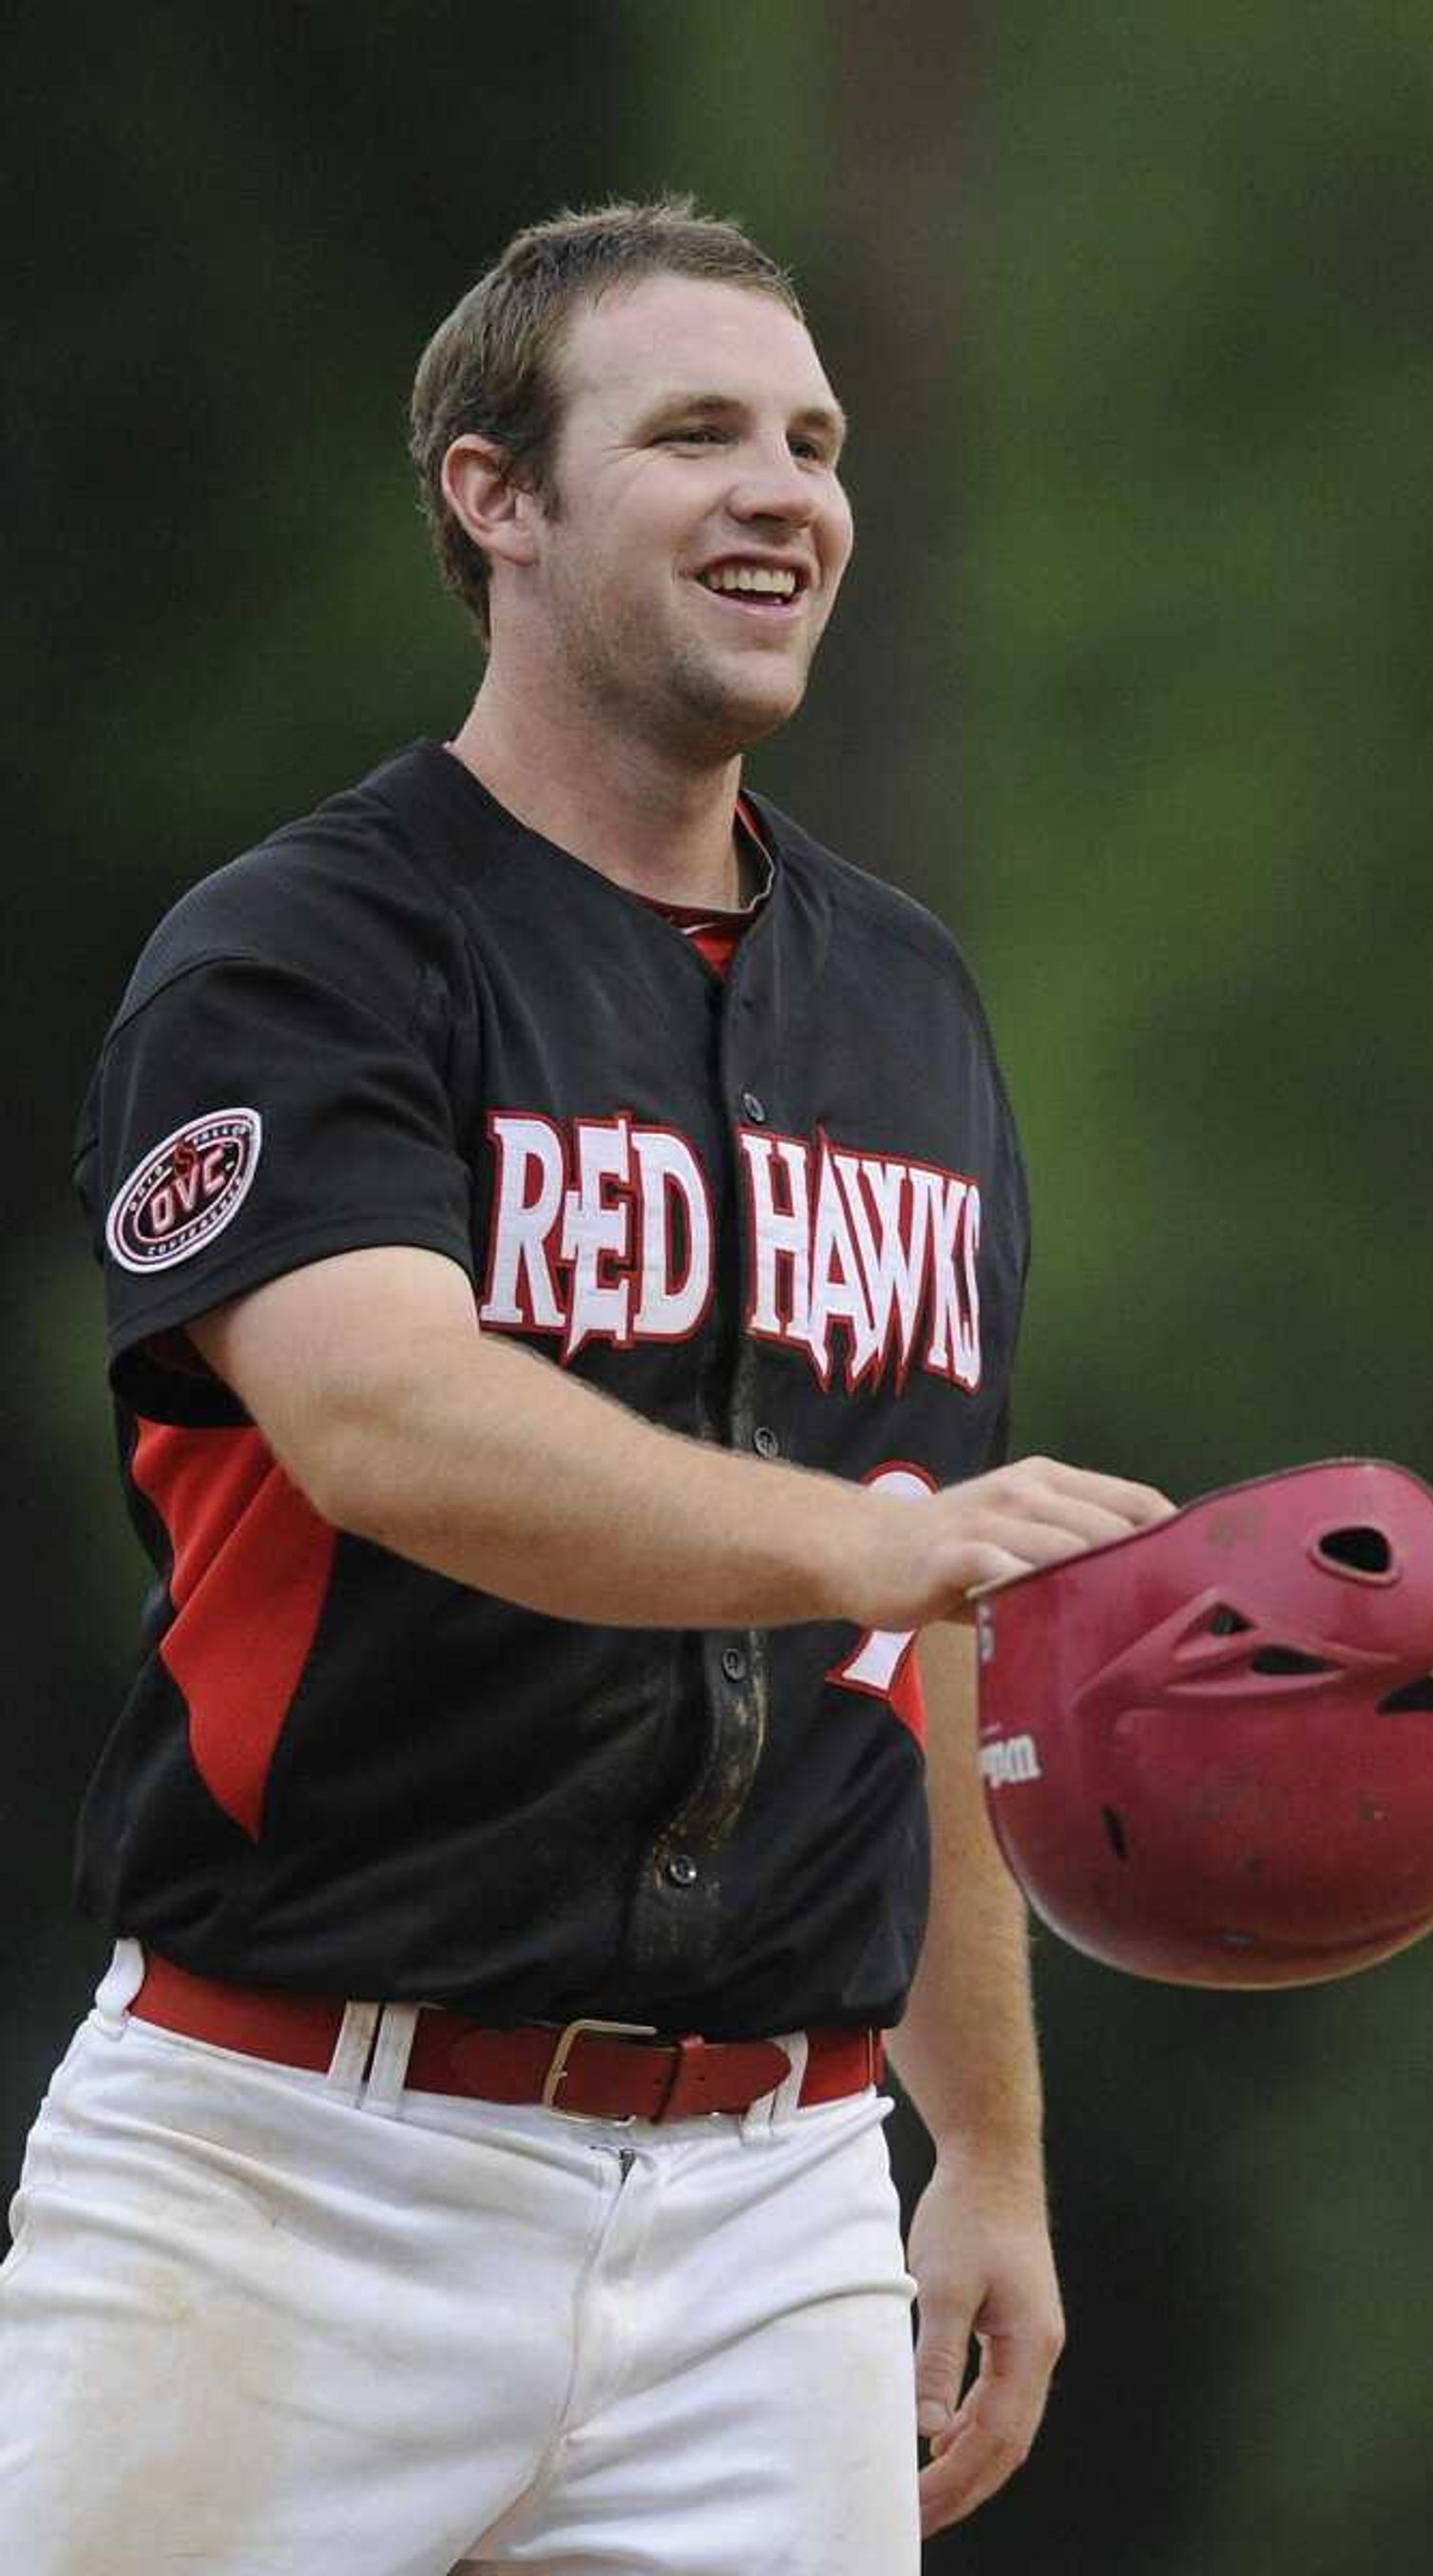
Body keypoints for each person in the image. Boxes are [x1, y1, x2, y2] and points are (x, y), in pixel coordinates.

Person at [0, 199, 1171, 2573]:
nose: (787, 490)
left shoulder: (909, 1003)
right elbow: (384, 1420)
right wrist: (878, 1538)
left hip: (775, 2211)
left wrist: (999, 2159)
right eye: (697, 432)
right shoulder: (300, 951)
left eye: (818, 440)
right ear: (495, 495)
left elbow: (910, 1646)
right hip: (294, 2166)